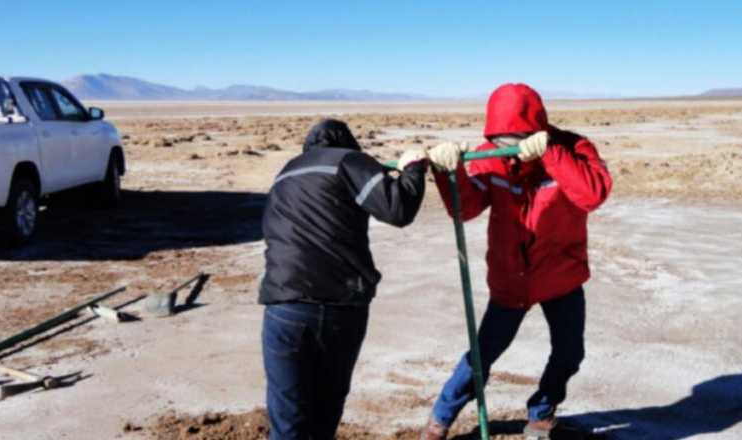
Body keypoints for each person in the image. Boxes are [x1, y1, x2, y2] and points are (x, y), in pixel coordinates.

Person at [420, 84, 613, 439]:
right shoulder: (491, 155)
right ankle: (439, 420)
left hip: (560, 275)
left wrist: (552, 153)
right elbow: (466, 208)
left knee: (570, 353)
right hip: (512, 278)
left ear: (536, 126)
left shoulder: (573, 147)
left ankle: (541, 413)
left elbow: (592, 194)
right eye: (500, 137)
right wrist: (450, 173)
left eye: (516, 135)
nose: (508, 143)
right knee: (481, 358)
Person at [259, 118, 428, 440]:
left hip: (283, 308)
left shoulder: (286, 172)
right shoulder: (349, 161)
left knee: (287, 417)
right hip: (340, 306)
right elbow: (397, 209)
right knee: (325, 410)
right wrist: (414, 168)